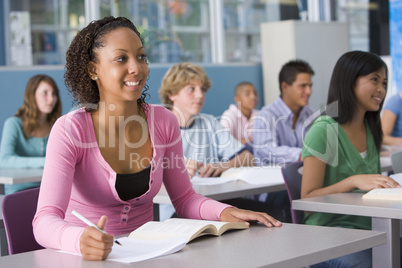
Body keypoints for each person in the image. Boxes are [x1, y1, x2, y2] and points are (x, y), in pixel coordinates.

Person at [33, 16, 281, 261]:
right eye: (122, 59)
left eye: (141, 57)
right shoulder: (70, 130)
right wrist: (78, 240)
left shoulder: (163, 121)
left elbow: (185, 199)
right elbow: (44, 220)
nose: (136, 68)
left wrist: (227, 212)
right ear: (93, 69)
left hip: (149, 256)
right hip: (84, 259)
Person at [301, 50, 400, 267]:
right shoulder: (323, 130)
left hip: (371, 228)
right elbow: (307, 201)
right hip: (327, 234)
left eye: (384, 82)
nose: (381, 89)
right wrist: (352, 181)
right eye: (374, 80)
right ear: (349, 81)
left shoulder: (369, 127)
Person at [159, 62, 255, 179]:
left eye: (202, 89)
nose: (200, 95)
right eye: (191, 89)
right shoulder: (157, 127)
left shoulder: (209, 123)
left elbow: (249, 158)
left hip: (213, 194)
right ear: (172, 94)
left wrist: (222, 166)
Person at [0, 74, 62, 195]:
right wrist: (46, 161)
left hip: (49, 190)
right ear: (32, 96)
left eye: (54, 94)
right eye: (45, 93)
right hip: (19, 192)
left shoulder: (57, 125)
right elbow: (4, 160)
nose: (51, 99)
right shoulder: (14, 124)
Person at [253, 59, 315, 166]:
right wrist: (302, 155)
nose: (309, 91)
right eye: (303, 86)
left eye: (310, 86)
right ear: (285, 86)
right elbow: (266, 150)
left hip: (304, 176)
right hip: (272, 179)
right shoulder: (267, 115)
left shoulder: (311, 114)